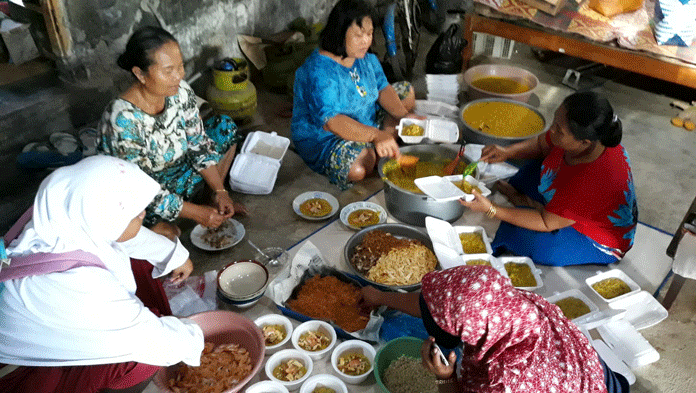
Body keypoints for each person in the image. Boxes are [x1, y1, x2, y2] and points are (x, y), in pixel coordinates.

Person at [0, 156, 204, 393]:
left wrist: (175, 256)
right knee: (141, 360)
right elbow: (152, 341)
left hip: (38, 327)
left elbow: (120, 235)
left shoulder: (60, 212)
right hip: (22, 371)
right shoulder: (78, 285)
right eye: (137, 214)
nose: (143, 215)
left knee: (138, 265)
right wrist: (196, 339)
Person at [360, 265, 630, 393]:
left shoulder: (502, 382)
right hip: (599, 375)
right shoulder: (513, 302)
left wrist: (445, 378)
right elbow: (441, 302)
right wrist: (381, 296)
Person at [98, 26, 247, 240]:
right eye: (168, 71)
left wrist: (220, 191)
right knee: (165, 237)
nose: (179, 76)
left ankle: (206, 204)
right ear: (140, 73)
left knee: (224, 127)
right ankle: (168, 222)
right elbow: (140, 190)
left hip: (178, 172)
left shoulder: (180, 91)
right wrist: (195, 213)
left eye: (181, 66)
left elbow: (198, 144)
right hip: (142, 194)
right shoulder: (122, 120)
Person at [461, 91, 638, 266]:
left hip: (593, 238)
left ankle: (530, 206)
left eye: (559, 130)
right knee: (525, 175)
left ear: (584, 142)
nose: (551, 129)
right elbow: (541, 144)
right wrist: (507, 152)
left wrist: (492, 209)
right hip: (569, 200)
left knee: (526, 239)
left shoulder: (597, 179)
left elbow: (546, 222)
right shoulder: (581, 138)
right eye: (554, 120)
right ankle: (529, 203)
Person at [292, 0, 423, 189]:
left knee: (406, 93)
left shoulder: (365, 58)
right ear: (339, 33)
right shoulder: (319, 72)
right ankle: (381, 145)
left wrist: (403, 116)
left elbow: (382, 87)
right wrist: (376, 135)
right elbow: (332, 122)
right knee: (359, 169)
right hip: (326, 138)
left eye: (369, 34)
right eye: (358, 35)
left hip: (365, 118)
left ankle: (382, 145)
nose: (366, 41)